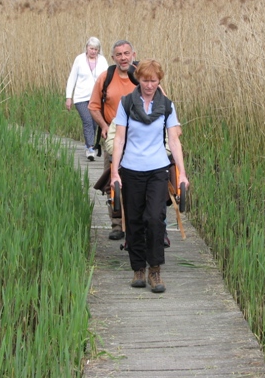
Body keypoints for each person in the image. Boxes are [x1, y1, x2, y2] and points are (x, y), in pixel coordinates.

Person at [110, 60, 189, 293]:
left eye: (153, 80)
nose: (149, 84)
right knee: (134, 220)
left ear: (159, 81)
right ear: (138, 80)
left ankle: (155, 270)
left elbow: (174, 140)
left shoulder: (166, 106)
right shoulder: (126, 104)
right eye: (145, 80)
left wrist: (182, 174)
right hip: (131, 169)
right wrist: (115, 171)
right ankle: (138, 269)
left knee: (155, 218)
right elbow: (119, 139)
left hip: (157, 169)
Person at [89, 39, 139, 240]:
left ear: (133, 55)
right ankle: (117, 224)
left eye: (127, 53)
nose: (123, 57)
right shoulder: (106, 77)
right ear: (113, 57)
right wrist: (103, 126)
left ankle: (141, 222)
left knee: (140, 178)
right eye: (119, 54)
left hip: (139, 135)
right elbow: (93, 106)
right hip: (113, 134)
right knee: (113, 179)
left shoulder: (142, 76)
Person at [65, 37, 109, 160]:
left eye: (96, 49)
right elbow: (72, 78)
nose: (93, 51)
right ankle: (90, 147)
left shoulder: (102, 61)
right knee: (87, 121)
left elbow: (107, 78)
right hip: (81, 98)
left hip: (97, 98)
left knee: (95, 123)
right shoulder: (79, 60)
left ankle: (88, 143)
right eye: (91, 48)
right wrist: (69, 97)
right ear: (86, 48)